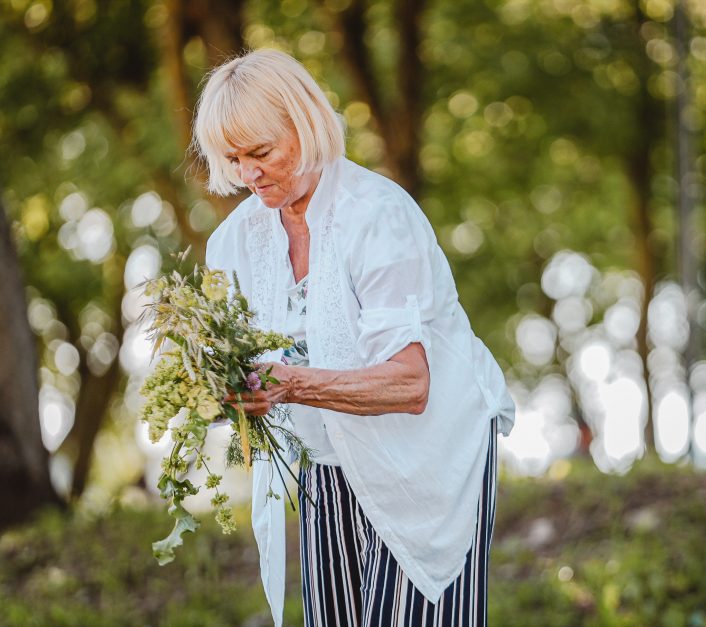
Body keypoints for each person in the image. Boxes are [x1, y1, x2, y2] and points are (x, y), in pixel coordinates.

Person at [195, 48, 515, 627]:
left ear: (305, 123)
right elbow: (245, 373)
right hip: (328, 457)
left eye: (261, 152)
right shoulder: (236, 243)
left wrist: (287, 383)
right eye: (234, 158)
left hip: (428, 450)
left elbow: (411, 384)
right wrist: (221, 392)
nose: (249, 174)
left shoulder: (376, 216)